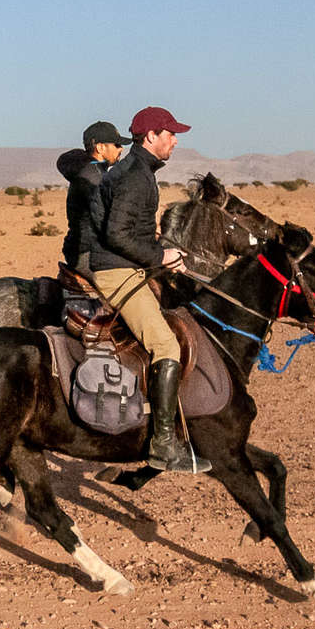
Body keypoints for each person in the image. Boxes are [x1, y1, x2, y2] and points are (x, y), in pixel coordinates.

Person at [86, 106, 202, 473]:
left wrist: (164, 255)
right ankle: (163, 445)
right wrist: (159, 254)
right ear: (150, 136)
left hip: (127, 265)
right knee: (166, 344)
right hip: (116, 272)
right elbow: (117, 235)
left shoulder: (138, 171)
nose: (175, 139)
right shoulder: (136, 175)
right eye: (170, 133)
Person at [58, 120, 130, 275]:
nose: (121, 149)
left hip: (88, 249)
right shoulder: (94, 176)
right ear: (100, 147)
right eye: (117, 145)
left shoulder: (93, 172)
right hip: (88, 253)